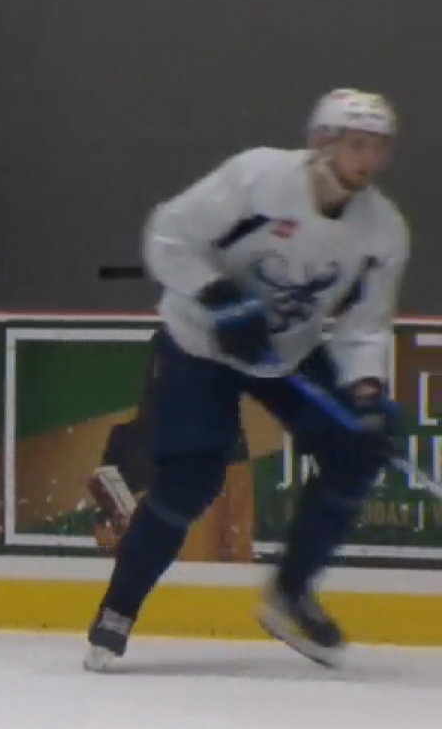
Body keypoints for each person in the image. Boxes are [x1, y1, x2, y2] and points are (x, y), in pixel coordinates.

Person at [84, 88, 409, 672]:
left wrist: (364, 393)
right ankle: (118, 609)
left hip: (287, 353)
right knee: (193, 477)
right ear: (321, 143)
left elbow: (365, 327)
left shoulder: (382, 231)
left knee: (359, 444)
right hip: (201, 342)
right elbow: (169, 235)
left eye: (378, 148)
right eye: (356, 144)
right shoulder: (258, 178)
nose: (367, 159)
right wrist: (217, 295)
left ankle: (289, 593)